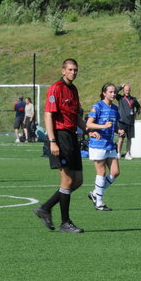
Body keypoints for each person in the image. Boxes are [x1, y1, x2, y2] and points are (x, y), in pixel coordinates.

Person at [33, 58, 93, 233]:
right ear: (63, 71)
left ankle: (45, 207)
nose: (73, 72)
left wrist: (88, 129)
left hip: (72, 136)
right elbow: (48, 115)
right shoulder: (56, 88)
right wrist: (52, 141)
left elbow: (76, 116)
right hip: (60, 136)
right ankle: (65, 223)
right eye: (70, 69)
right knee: (67, 180)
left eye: (75, 70)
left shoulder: (74, 90)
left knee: (78, 180)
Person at [86, 83, 121, 211]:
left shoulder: (115, 108)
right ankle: (99, 203)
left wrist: (118, 130)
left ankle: (95, 193)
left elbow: (113, 125)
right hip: (98, 144)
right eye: (110, 92)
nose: (113, 94)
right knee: (101, 172)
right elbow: (89, 124)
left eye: (114, 92)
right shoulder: (97, 106)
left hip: (110, 144)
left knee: (115, 172)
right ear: (104, 93)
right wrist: (103, 126)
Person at [116, 83, 141, 160]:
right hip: (122, 121)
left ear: (130, 90)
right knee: (121, 138)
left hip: (130, 121)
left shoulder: (133, 99)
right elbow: (115, 92)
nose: (127, 91)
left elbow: (138, 107)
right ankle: (118, 153)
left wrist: (136, 113)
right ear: (123, 91)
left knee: (129, 138)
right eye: (126, 90)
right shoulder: (120, 98)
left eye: (128, 90)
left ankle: (128, 153)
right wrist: (121, 87)